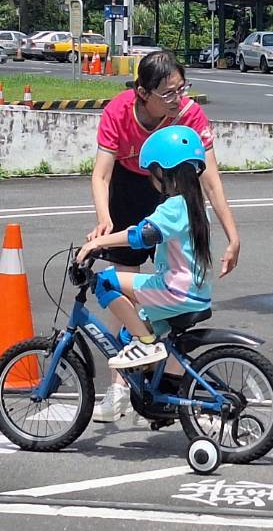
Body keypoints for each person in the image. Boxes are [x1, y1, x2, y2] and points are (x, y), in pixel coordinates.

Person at [87, 50, 241, 420]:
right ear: (143, 93)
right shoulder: (120, 111)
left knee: (140, 288)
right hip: (128, 185)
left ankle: (163, 385)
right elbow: (101, 175)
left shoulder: (189, 114)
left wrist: (233, 236)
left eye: (181, 89)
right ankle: (118, 388)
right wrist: (105, 221)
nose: (178, 100)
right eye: (169, 93)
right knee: (126, 279)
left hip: (170, 188)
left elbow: (210, 180)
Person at [77, 125, 212, 378]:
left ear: (162, 171)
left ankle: (146, 343)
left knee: (106, 281)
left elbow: (141, 236)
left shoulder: (174, 206)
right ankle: (155, 387)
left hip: (175, 290)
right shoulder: (196, 206)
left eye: (151, 171)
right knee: (131, 331)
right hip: (195, 291)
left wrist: (98, 242)